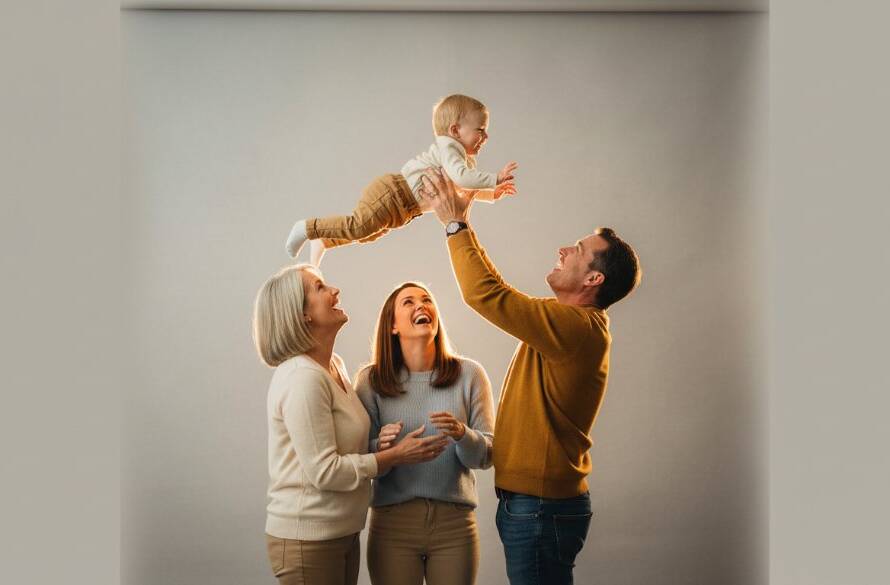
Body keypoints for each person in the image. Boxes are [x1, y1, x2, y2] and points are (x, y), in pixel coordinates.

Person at [417, 168, 642, 585]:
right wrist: (463, 222)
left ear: (594, 279)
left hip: (541, 508)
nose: (563, 250)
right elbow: (497, 292)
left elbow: (486, 295)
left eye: (576, 249)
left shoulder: (574, 328)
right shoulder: (568, 325)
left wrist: (454, 224)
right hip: (537, 506)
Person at [252, 264, 450, 585]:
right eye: (319, 288)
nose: (334, 291)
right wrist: (395, 456)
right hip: (308, 541)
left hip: (341, 532)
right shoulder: (303, 378)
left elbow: (342, 451)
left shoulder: (334, 367)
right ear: (303, 315)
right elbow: (325, 472)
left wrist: (377, 446)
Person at [355, 281, 495, 585]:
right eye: (408, 302)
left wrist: (462, 434)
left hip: (454, 525)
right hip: (393, 524)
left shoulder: (470, 375)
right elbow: (361, 458)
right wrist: (384, 446)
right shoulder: (371, 380)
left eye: (427, 299)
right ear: (392, 326)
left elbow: (484, 457)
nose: (421, 305)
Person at [283, 94, 518, 265]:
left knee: (369, 233)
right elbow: (462, 178)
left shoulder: (462, 160)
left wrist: (490, 195)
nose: (486, 137)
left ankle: (325, 240)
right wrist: (494, 179)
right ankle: (306, 228)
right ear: (455, 131)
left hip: (403, 209)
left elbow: (462, 187)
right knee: (358, 226)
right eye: (481, 130)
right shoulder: (449, 148)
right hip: (392, 194)